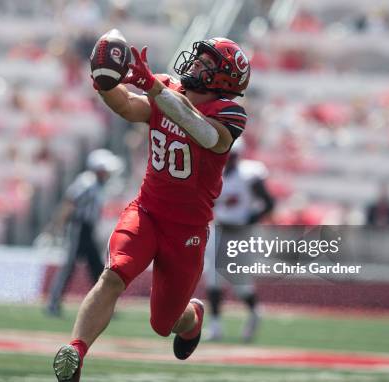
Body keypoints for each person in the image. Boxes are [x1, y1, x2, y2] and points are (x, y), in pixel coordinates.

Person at [52, 37, 250, 381]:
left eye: (206, 63)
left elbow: (203, 132)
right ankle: (75, 350)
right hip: (146, 210)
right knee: (114, 273)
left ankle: (191, 317)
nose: (195, 64)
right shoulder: (167, 88)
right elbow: (128, 105)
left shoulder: (229, 113)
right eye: (199, 59)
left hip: (186, 231)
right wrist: (104, 82)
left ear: (223, 79)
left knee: (164, 323)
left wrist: (155, 88)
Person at [204, 140, 275, 342]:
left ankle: (255, 313)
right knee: (213, 279)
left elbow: (269, 203)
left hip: (241, 233)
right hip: (219, 229)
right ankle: (216, 326)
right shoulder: (215, 173)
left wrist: (250, 219)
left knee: (240, 285)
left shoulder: (249, 174)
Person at [45, 149, 123, 317]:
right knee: (70, 266)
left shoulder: (96, 183)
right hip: (79, 228)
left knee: (97, 268)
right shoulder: (86, 182)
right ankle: (53, 303)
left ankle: (104, 306)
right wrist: (56, 226)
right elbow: (69, 203)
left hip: (87, 230)